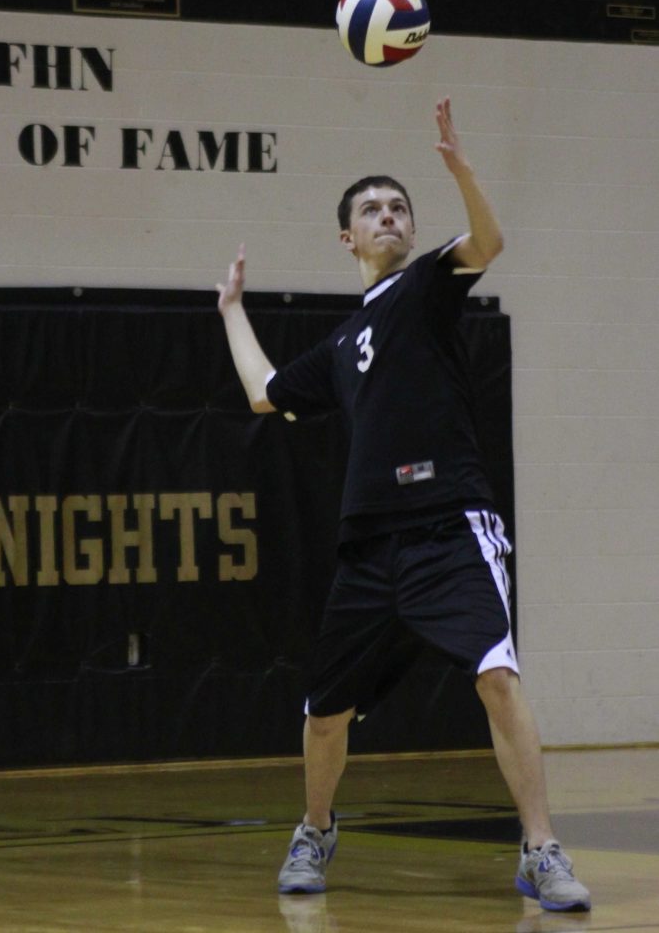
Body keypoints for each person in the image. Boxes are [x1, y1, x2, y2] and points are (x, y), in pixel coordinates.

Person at [215, 97, 591, 913]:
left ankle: (539, 847)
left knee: (496, 675)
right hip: (369, 547)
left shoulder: (426, 287)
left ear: (411, 233)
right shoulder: (343, 343)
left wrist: (459, 170)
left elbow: (487, 242)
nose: (385, 216)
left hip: (449, 522)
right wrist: (232, 311)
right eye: (369, 210)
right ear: (345, 237)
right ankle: (315, 828)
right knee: (324, 714)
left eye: (397, 208)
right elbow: (263, 395)